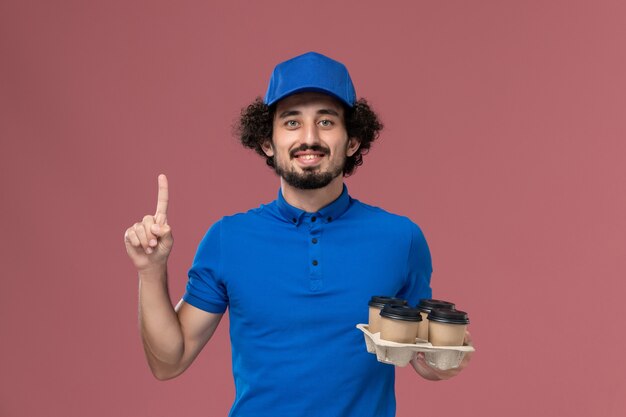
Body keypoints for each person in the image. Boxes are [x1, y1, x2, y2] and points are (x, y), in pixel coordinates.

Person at [124, 51, 472, 417]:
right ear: (267, 142)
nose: (309, 137)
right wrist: (150, 270)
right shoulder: (228, 239)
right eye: (291, 122)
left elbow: (420, 352)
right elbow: (169, 362)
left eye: (326, 121)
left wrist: (441, 363)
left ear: (352, 140)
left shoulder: (402, 240)